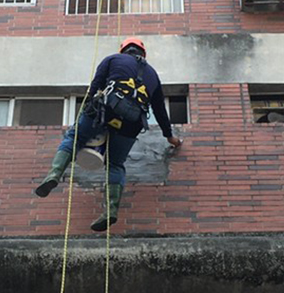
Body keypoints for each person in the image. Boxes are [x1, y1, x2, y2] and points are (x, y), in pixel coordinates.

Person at [35, 37, 183, 231]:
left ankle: (54, 175)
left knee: (74, 137)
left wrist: (85, 111)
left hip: (106, 111)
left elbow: (95, 85)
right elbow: (159, 110)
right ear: (142, 53)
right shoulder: (153, 75)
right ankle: (111, 210)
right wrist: (169, 136)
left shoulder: (113, 59)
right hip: (132, 123)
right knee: (114, 163)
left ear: (124, 50)